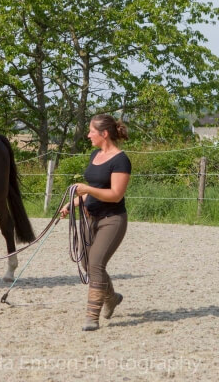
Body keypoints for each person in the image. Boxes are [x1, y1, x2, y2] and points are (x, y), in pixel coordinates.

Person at [60, 114, 131, 331]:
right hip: (90, 217)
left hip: (112, 220)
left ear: (104, 133)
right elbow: (93, 192)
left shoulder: (121, 160)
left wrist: (87, 189)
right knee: (86, 263)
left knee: (96, 263)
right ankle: (111, 298)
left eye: (92, 131)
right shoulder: (95, 154)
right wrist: (73, 203)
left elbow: (115, 195)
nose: (88, 134)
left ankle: (92, 317)